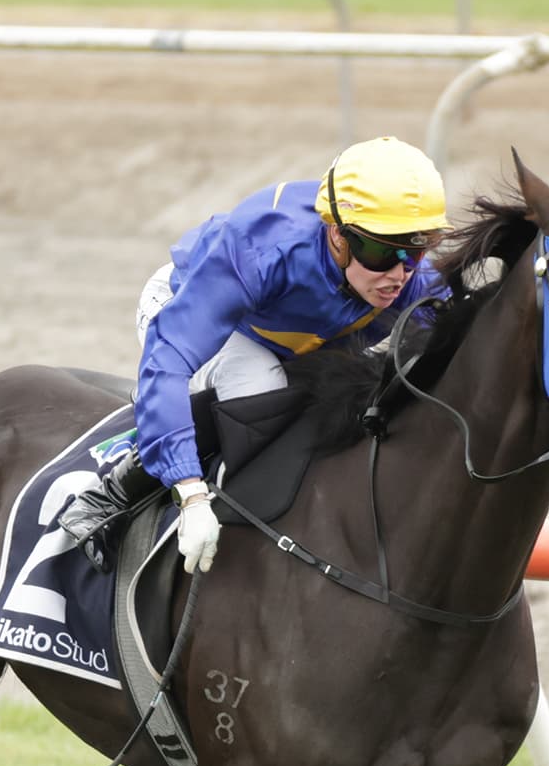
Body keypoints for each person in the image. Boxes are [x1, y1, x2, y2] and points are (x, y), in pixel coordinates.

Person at [58, 135, 450, 575]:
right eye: (380, 252)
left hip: (293, 339)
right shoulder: (260, 250)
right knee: (261, 387)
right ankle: (110, 494)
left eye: (415, 251)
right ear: (337, 235)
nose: (400, 273)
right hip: (188, 308)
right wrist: (191, 495)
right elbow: (167, 362)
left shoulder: (409, 276)